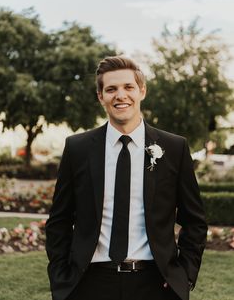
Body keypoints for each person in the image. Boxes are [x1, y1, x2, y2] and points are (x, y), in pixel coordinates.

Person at [45, 56, 207, 300]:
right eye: (111, 89)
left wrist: (184, 274)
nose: (120, 95)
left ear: (142, 91)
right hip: (89, 283)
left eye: (128, 87)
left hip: (155, 283)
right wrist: (60, 275)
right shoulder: (77, 148)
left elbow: (194, 220)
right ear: (101, 96)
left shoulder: (174, 148)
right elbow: (59, 220)